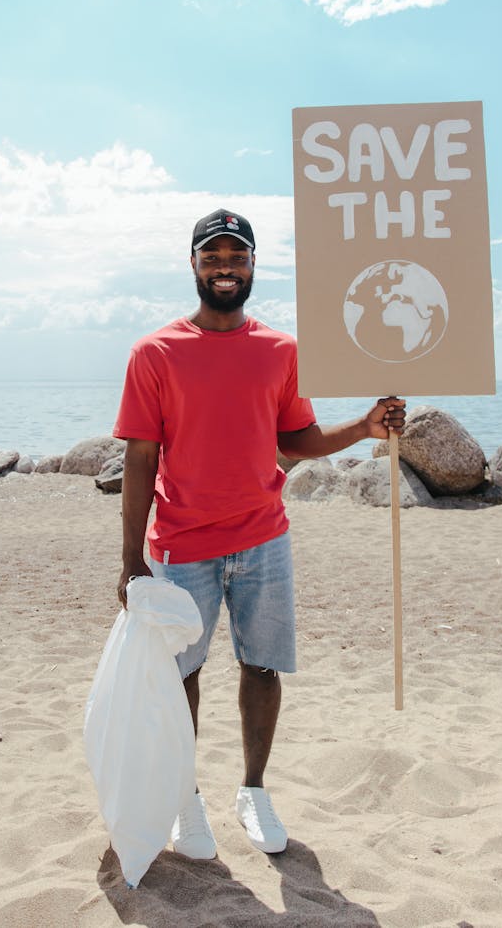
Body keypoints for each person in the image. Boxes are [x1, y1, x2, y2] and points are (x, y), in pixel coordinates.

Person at [113, 208, 405, 860]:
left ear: (252, 266)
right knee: (181, 676)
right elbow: (138, 458)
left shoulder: (281, 350)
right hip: (183, 546)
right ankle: (184, 799)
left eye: (236, 256)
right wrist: (131, 560)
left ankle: (253, 790)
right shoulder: (154, 353)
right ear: (193, 264)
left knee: (264, 666)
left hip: (264, 539)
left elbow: (293, 440)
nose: (224, 267)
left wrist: (364, 427)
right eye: (212, 256)